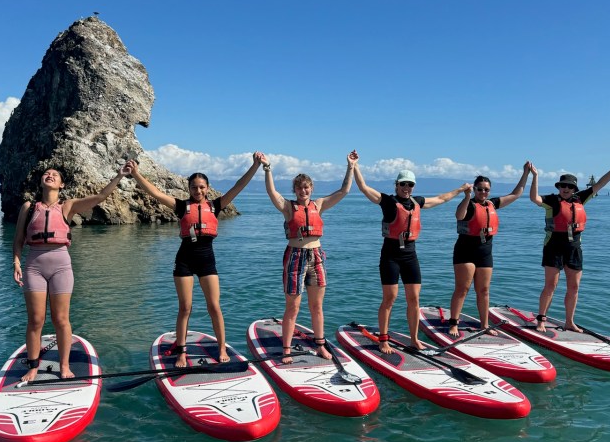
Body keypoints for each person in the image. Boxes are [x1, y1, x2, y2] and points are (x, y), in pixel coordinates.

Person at [125, 153, 263, 366]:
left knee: (214, 306)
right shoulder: (181, 207)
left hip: (207, 260)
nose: (198, 191)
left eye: (201, 187)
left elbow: (239, 186)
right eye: (194, 187)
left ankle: (221, 348)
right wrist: (135, 174)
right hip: (185, 260)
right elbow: (155, 193)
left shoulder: (216, 206)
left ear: (207, 188)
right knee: (185, 307)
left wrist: (255, 166)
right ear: (188, 189)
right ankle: (181, 352)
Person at [13, 164, 131, 382]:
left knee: (61, 319)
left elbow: (101, 196)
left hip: (61, 266)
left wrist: (119, 175)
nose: (49, 175)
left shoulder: (68, 206)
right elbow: (19, 239)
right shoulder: (29, 207)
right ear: (41, 181)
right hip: (33, 265)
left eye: (55, 175)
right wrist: (16, 262)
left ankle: (64, 365)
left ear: (62, 184)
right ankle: (32, 367)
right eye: (46, 174)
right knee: (36, 319)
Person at [353, 162, 469, 354]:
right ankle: (383, 339)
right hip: (390, 255)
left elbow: (441, 198)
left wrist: (461, 190)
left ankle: (414, 339)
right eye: (403, 184)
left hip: (410, 255)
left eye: (410, 185)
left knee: (414, 299)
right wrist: (354, 166)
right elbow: (364, 188)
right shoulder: (388, 202)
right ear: (396, 185)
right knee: (390, 298)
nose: (407, 188)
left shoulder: (417, 202)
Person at [260, 151, 356, 363]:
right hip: (295, 256)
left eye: (306, 187)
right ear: (294, 190)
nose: (303, 191)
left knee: (317, 306)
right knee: (293, 306)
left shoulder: (319, 205)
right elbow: (271, 191)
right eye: (299, 188)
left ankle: (320, 345)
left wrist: (350, 167)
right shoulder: (288, 207)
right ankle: (286, 349)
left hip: (316, 256)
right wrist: (267, 168)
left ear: (311, 189)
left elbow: (344, 191)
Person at [529, 150, 610, 332]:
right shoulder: (552, 201)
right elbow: (533, 198)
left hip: (574, 248)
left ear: (575, 189)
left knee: (574, 286)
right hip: (553, 247)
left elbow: (601, 183)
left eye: (569, 186)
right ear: (558, 187)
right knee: (550, 285)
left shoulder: (580, 199)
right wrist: (535, 176)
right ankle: (541, 320)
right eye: (562, 185)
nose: (566, 188)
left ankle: (569, 321)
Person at [447, 163, 531, 338]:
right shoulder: (468, 205)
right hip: (465, 252)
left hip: (485, 252)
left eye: (486, 190)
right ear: (475, 189)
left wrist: (525, 173)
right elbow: (459, 216)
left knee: (484, 290)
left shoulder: (492, 204)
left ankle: (484, 325)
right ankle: (453, 323)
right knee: (463, 288)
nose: (483, 193)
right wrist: (466, 196)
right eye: (480, 189)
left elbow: (516, 194)